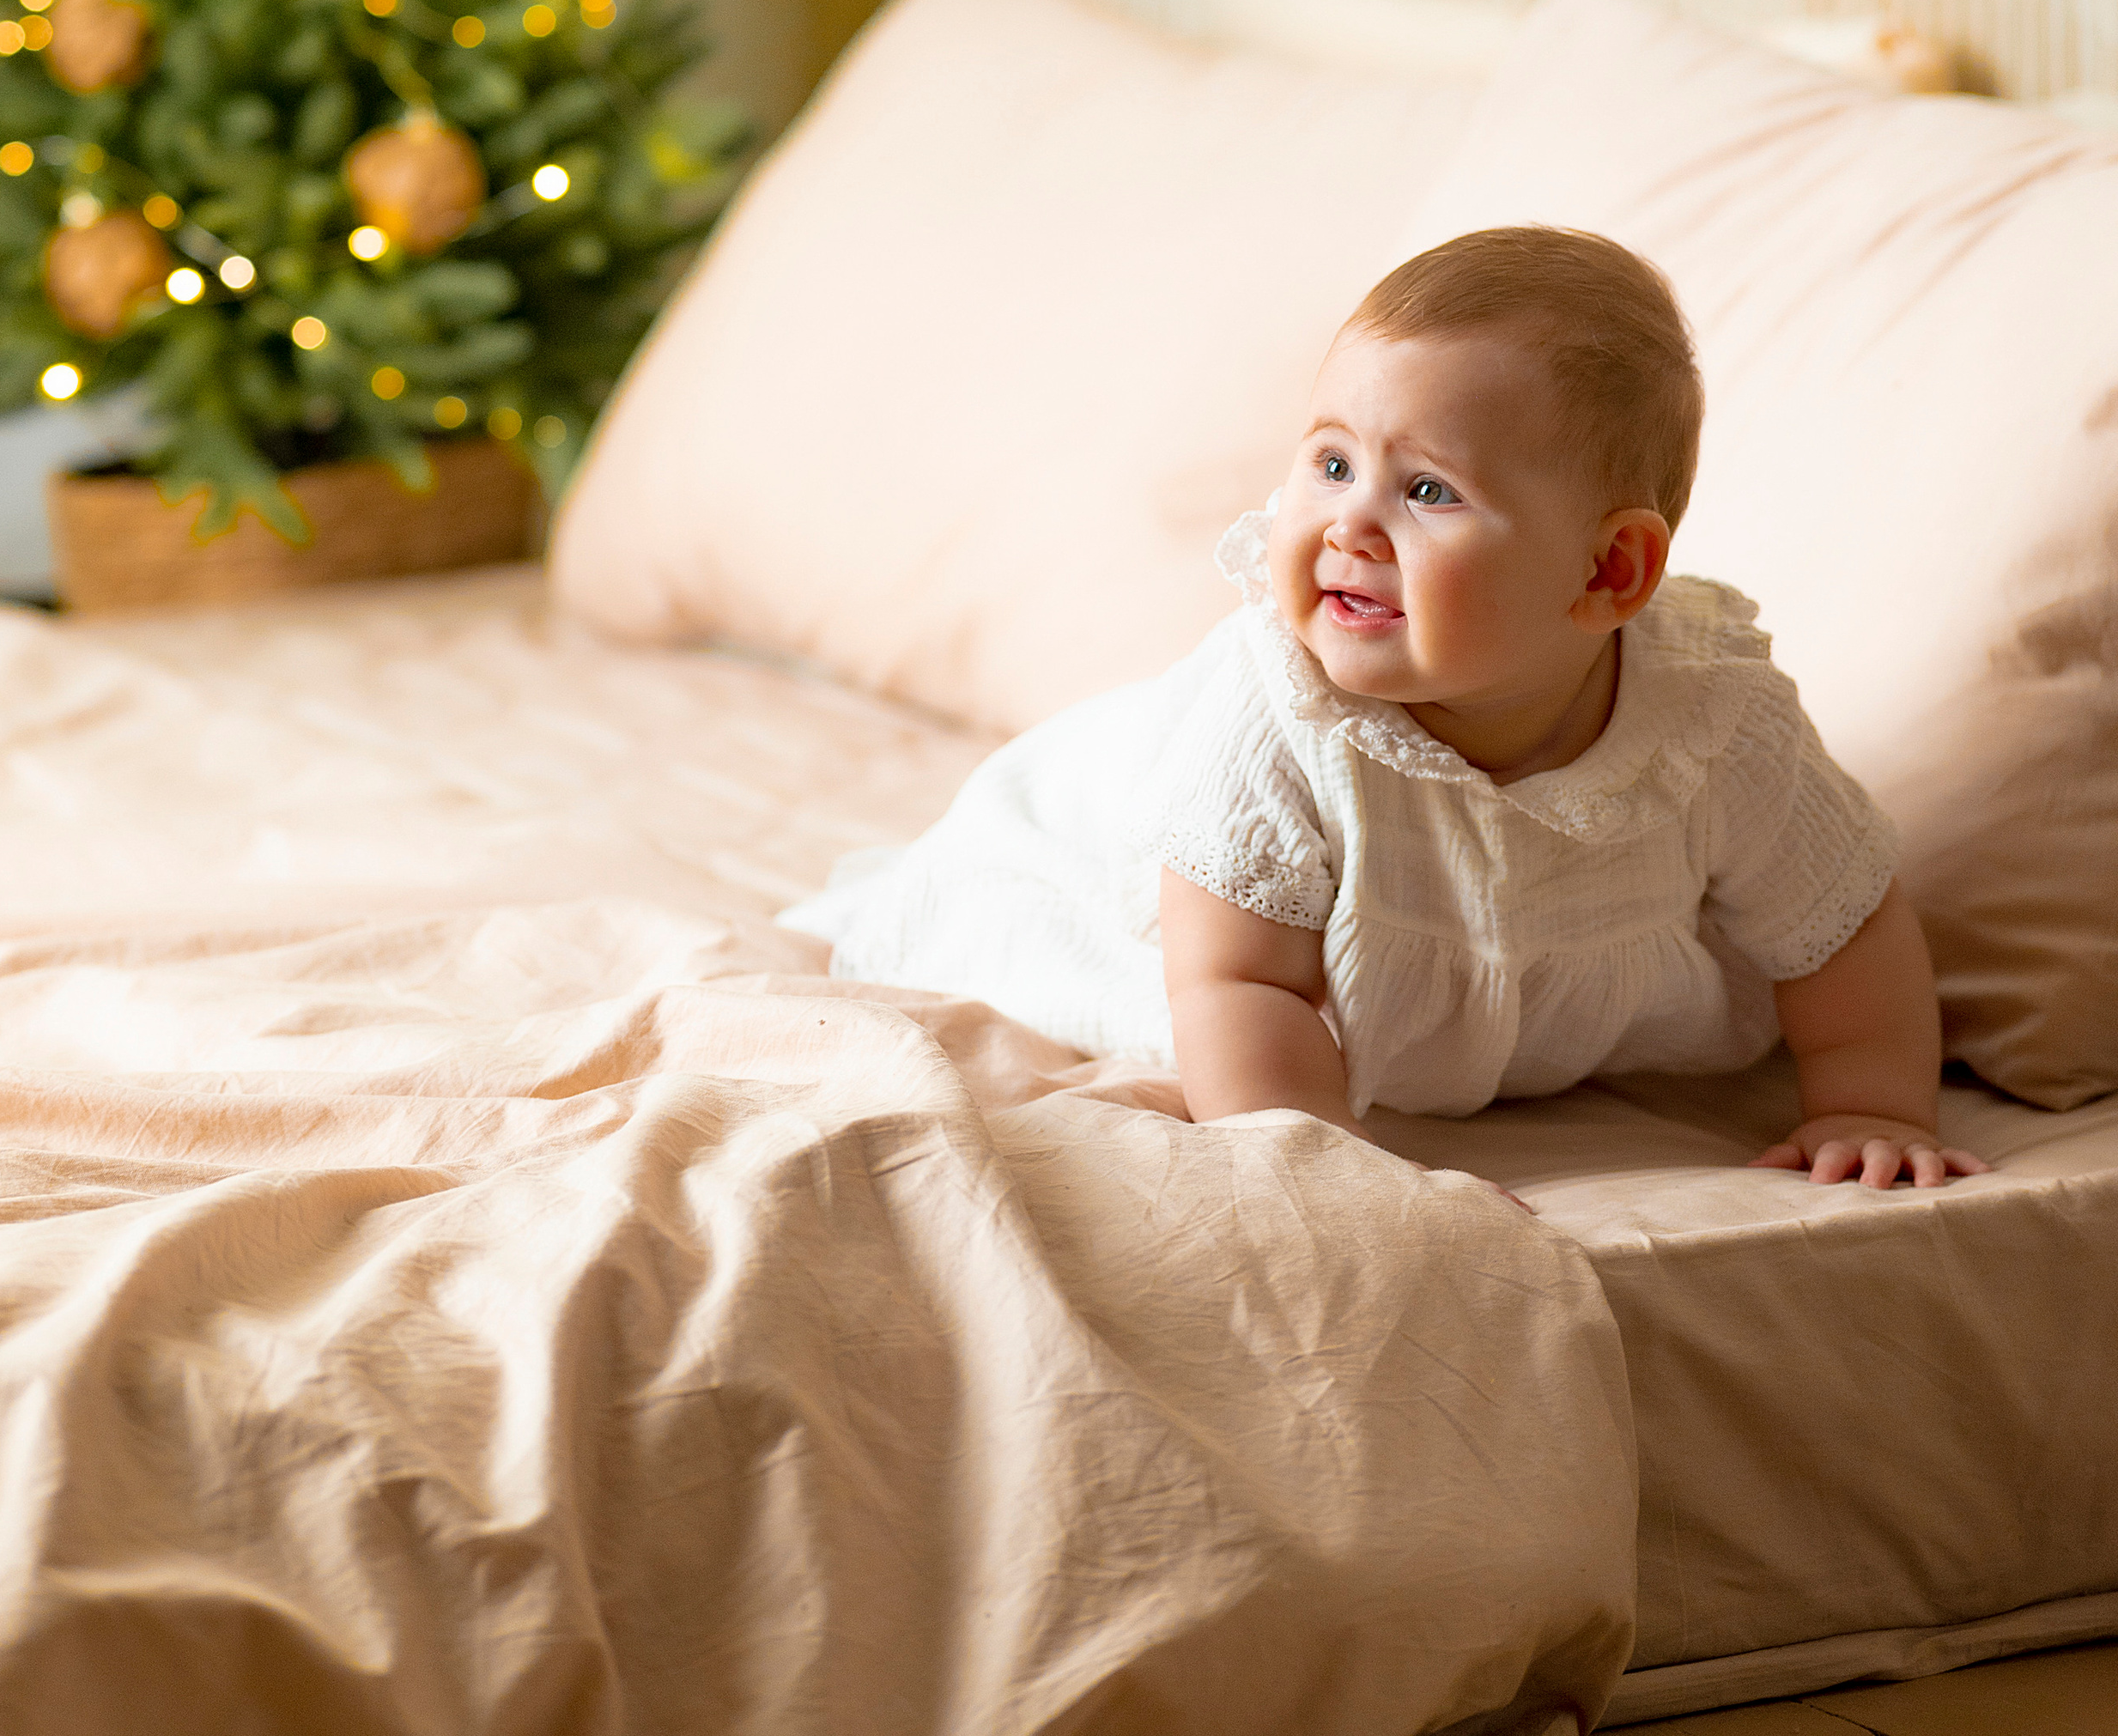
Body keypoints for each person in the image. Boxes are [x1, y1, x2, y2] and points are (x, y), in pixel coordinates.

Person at [784, 228, 1988, 1190]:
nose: (1350, 524)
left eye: (1427, 490)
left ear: (1609, 572)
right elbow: (1240, 986)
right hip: (1117, 877)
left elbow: (1841, 919)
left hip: (1498, 1012)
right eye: (1331, 462)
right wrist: (1330, 1173)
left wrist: (1873, 1105)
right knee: (998, 941)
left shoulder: (1712, 717)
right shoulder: (1272, 712)